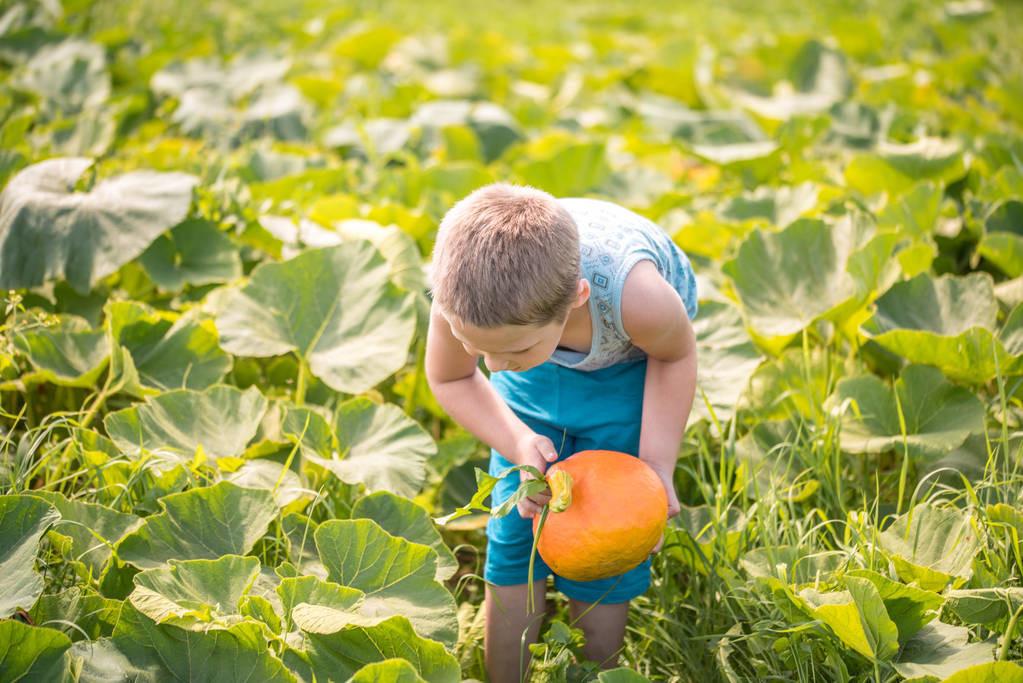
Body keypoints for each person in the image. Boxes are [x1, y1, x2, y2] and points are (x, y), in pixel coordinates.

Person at [425, 182, 698, 682]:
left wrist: (657, 466)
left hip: (629, 361)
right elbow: (452, 375)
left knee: (604, 531)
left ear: (576, 298)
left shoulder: (637, 297)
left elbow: (674, 355)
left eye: (509, 355)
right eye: (476, 347)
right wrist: (518, 443)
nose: (492, 366)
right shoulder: (462, 297)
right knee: (516, 524)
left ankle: (598, 669)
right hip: (541, 343)